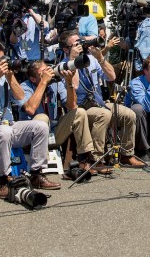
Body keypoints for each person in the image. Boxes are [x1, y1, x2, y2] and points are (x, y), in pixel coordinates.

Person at [0, 41, 60, 199]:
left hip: (9, 125)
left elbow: (21, 98)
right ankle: (4, 179)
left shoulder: (2, 79)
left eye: (3, 61)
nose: (1, 65)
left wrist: (10, 76)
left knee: (40, 126)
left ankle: (36, 174)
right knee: (4, 132)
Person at [58, 30, 144, 167]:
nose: (80, 46)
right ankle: (96, 159)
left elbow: (111, 77)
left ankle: (126, 155)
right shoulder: (63, 66)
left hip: (98, 102)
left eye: (80, 42)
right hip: (80, 109)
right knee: (104, 114)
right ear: (66, 49)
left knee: (129, 115)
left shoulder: (91, 59)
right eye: (76, 44)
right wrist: (73, 61)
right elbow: (73, 86)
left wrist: (100, 58)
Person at [19, 60, 106, 175]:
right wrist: (43, 83)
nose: (48, 75)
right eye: (42, 73)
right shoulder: (24, 86)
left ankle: (84, 159)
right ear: (33, 79)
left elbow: (72, 106)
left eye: (48, 70)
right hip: (32, 138)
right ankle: (38, 170)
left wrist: (69, 83)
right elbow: (30, 109)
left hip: (54, 133)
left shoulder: (55, 83)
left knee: (79, 112)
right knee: (42, 118)